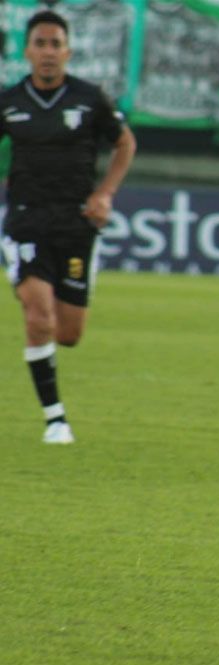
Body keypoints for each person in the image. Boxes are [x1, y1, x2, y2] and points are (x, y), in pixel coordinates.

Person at [0, 10, 136, 444]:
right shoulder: (9, 102)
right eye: (40, 44)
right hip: (25, 220)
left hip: (75, 224)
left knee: (68, 333)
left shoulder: (89, 98)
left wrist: (105, 194)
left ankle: (53, 404)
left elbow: (125, 142)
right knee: (37, 315)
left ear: (67, 51)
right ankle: (55, 419)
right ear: (27, 51)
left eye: (55, 44)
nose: (47, 53)